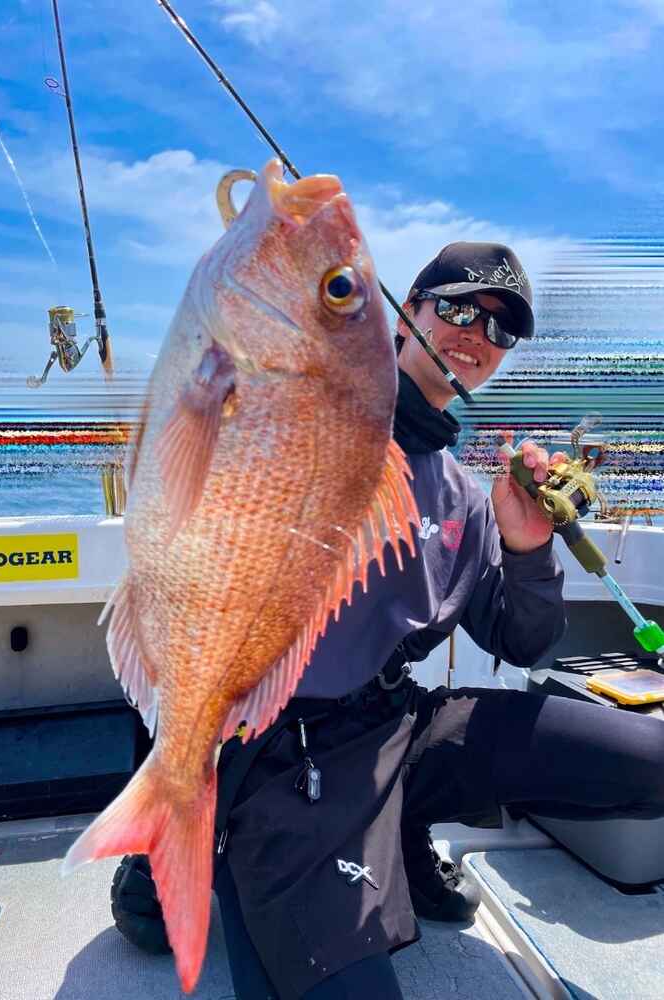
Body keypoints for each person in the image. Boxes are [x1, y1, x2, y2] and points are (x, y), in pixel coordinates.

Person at [110, 242, 664, 999]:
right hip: (283, 754)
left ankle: (399, 827)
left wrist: (527, 548)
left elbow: (522, 640)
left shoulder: (464, 495)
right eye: (459, 308)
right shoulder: (305, 427)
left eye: (500, 329)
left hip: (399, 726)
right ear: (405, 315)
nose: (476, 335)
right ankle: (178, 839)